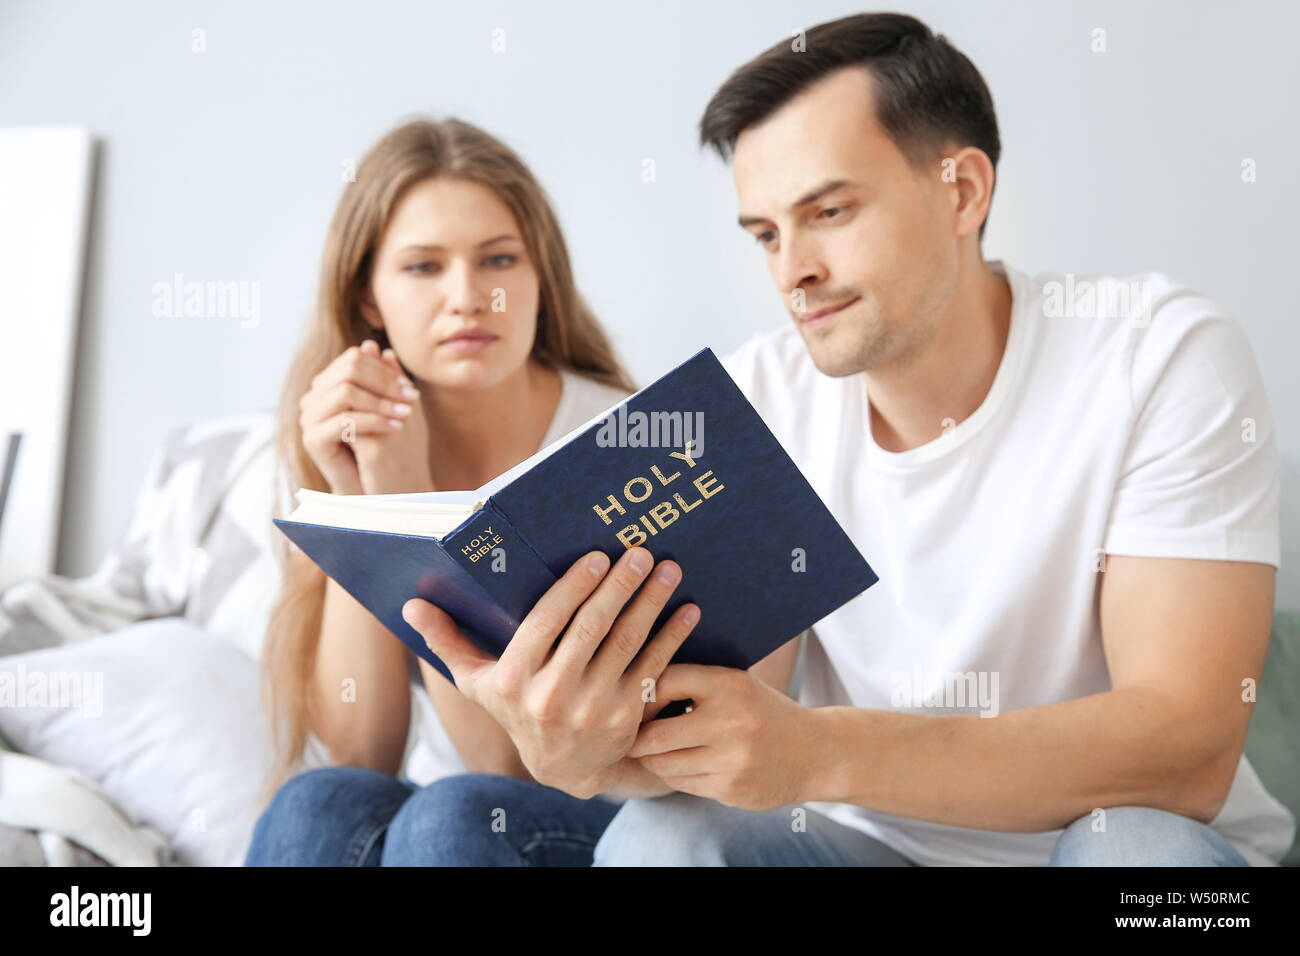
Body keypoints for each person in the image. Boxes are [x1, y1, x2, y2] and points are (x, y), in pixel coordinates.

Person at [399, 12, 1294, 866]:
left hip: (1125, 846)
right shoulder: (752, 402)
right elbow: (714, 719)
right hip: (859, 848)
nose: (794, 271)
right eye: (766, 234)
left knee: (1135, 851)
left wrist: (818, 752)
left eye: (829, 212)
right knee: (663, 839)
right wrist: (578, 751)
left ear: (964, 190)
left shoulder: (1159, 356)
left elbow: (1187, 750)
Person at [244, 116, 666, 866]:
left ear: (541, 279)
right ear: (369, 297)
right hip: (443, 816)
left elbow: (509, 768)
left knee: (454, 816)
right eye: (423, 268)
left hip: (608, 812)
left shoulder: (616, 441)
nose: (469, 298)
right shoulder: (352, 434)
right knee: (317, 803)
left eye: (499, 260)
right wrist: (362, 510)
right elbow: (360, 750)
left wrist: (412, 503)